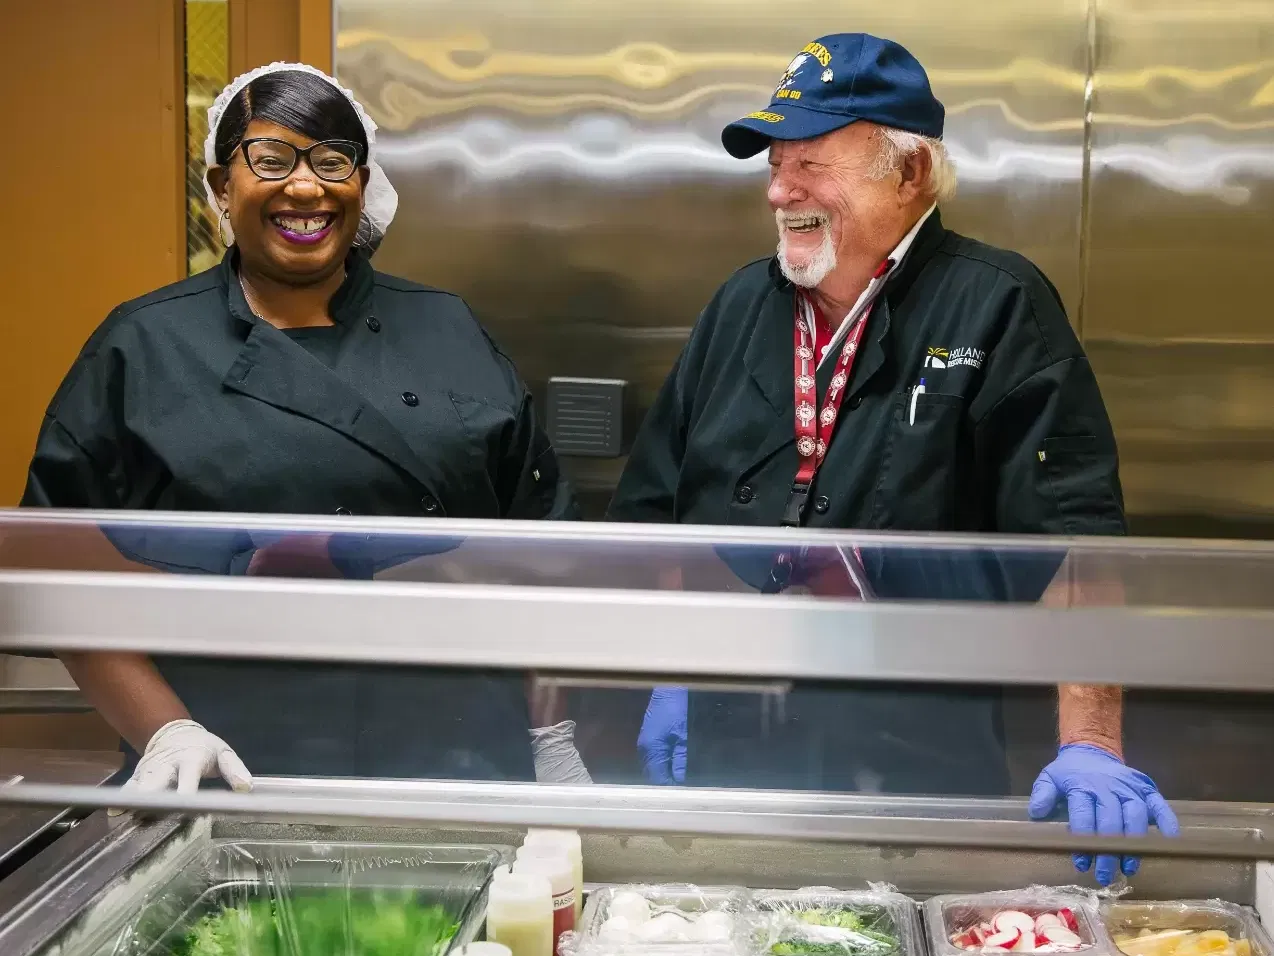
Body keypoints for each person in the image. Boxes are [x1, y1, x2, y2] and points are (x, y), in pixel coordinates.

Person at [608, 33, 1176, 884]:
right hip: (732, 727)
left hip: (922, 740)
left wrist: (1090, 742)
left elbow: (1075, 543)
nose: (778, 189)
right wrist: (671, 674)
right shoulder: (738, 306)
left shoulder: (999, 307)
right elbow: (659, 515)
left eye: (810, 163)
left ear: (908, 174)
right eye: (773, 162)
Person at [22, 63, 586, 793]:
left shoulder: (447, 326)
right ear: (222, 188)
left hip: (457, 755)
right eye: (271, 159)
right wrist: (166, 732)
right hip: (234, 762)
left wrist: (551, 735)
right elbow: (56, 568)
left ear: (363, 183)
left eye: (331, 161)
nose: (305, 187)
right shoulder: (143, 346)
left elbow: (542, 554)